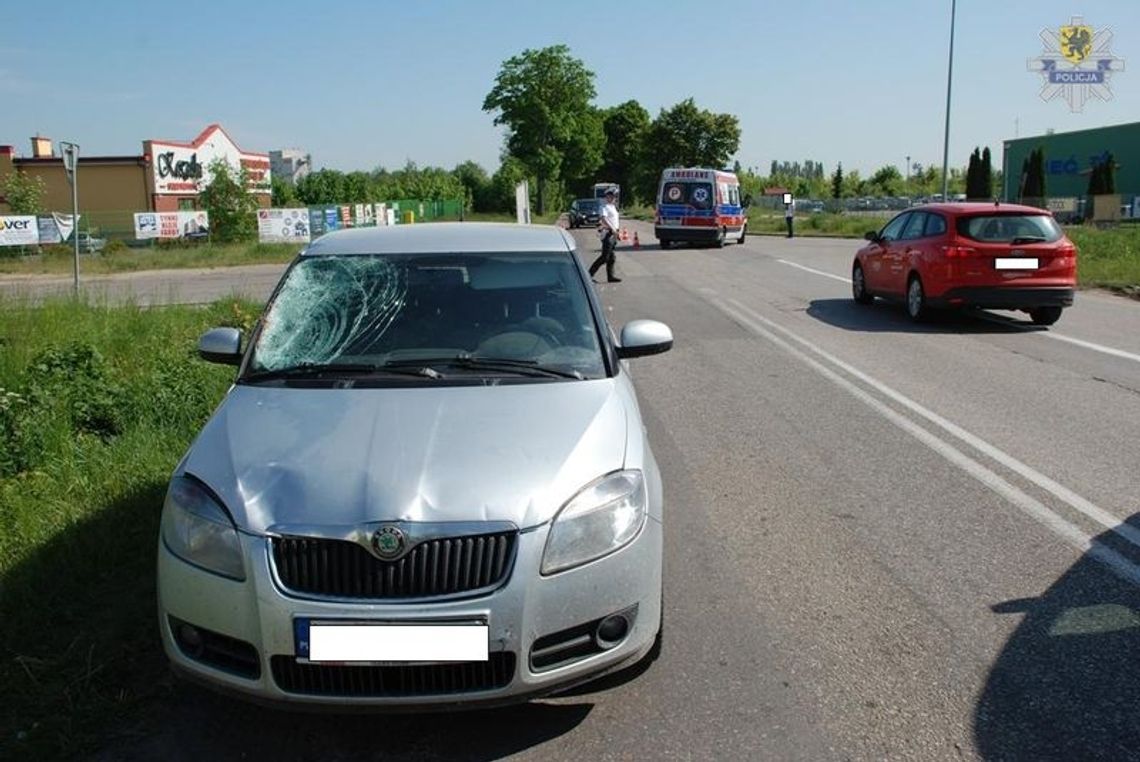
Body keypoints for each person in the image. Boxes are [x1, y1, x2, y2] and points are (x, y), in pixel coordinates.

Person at [588, 190, 622, 283]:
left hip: (614, 233)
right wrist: (612, 229)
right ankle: (588, 275)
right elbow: (603, 219)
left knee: (612, 257)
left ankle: (610, 276)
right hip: (608, 233)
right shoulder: (604, 207)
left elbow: (614, 221)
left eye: (614, 196)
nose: (613, 198)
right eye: (611, 196)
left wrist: (617, 232)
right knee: (604, 257)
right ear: (607, 197)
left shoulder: (613, 207)